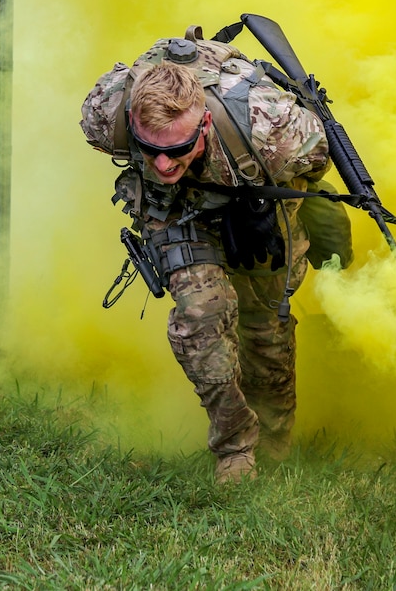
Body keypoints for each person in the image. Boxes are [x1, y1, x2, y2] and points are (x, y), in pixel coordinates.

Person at [80, 39, 330, 483]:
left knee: (264, 328)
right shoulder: (106, 112)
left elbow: (315, 162)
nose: (161, 162)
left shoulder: (272, 130)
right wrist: (172, 176)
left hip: (256, 201)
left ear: (206, 123)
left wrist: (262, 205)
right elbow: (138, 155)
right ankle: (235, 447)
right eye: (147, 146)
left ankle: (274, 442)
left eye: (177, 149)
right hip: (175, 210)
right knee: (201, 314)